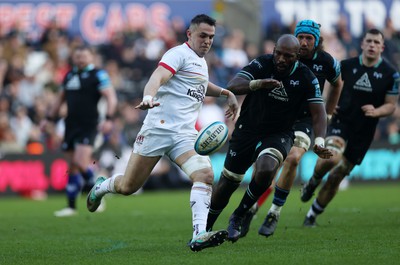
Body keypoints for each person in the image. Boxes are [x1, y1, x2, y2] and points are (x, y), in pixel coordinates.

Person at [86, 14, 239, 252]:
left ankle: (199, 234)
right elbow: (157, 77)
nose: (207, 41)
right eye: (202, 36)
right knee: (128, 187)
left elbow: (199, 84)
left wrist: (225, 93)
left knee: (205, 175)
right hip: (158, 130)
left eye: (211, 37)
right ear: (189, 34)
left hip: (184, 136)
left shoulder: (201, 61)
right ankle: (102, 187)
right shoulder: (177, 54)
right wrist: (148, 96)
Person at [206, 34, 332, 242]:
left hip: (279, 133)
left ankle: (239, 214)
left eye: (288, 56)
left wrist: (319, 141)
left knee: (266, 169)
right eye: (279, 54)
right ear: (273, 50)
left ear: (297, 56)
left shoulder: (306, 77)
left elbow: (318, 112)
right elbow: (233, 85)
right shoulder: (262, 63)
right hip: (248, 128)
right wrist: (257, 84)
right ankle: (204, 228)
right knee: (227, 184)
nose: (282, 59)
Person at [239, 19, 343, 238]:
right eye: (301, 37)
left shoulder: (327, 63)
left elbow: (337, 84)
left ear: (317, 41)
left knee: (294, 158)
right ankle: (252, 207)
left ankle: (274, 212)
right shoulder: (279, 58)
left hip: (303, 120)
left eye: (309, 38)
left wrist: (330, 112)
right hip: (274, 119)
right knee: (264, 167)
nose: (304, 42)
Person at [300, 28, 399, 226]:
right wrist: (329, 103)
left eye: (376, 42)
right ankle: (314, 180)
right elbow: (330, 85)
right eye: (368, 41)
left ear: (382, 47)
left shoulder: (391, 75)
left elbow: (391, 105)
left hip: (364, 131)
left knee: (338, 174)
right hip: (341, 121)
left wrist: (377, 111)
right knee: (332, 157)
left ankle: (312, 215)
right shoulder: (346, 66)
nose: (372, 45)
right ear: (362, 44)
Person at [41, 46, 117, 217]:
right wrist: (49, 119)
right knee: (72, 166)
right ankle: (71, 206)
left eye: (84, 56)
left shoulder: (98, 75)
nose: (80, 59)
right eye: (78, 56)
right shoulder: (69, 75)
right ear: (74, 58)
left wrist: (109, 118)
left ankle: (98, 194)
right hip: (71, 125)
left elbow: (110, 97)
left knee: (80, 162)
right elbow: (59, 100)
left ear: (91, 57)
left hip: (89, 125)